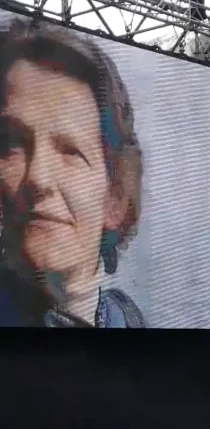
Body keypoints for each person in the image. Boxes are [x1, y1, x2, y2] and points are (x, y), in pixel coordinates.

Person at [0, 18, 144, 328]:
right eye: (14, 144)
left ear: (115, 201)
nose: (38, 177)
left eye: (70, 151)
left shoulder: (129, 323)